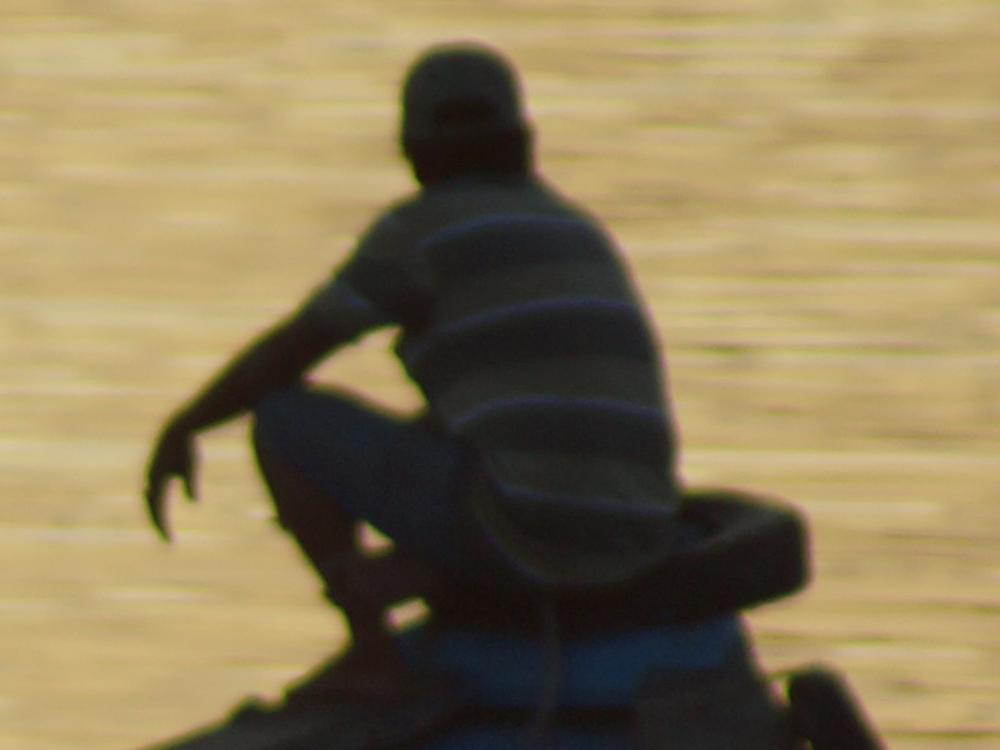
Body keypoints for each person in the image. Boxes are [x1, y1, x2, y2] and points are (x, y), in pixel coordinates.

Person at [143, 42, 685, 700]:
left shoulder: (420, 232)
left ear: (412, 151)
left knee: (285, 420)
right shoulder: (576, 228)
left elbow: (291, 352)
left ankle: (373, 653)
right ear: (525, 140)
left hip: (530, 522)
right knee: (455, 435)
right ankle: (427, 575)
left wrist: (187, 425)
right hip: (640, 529)